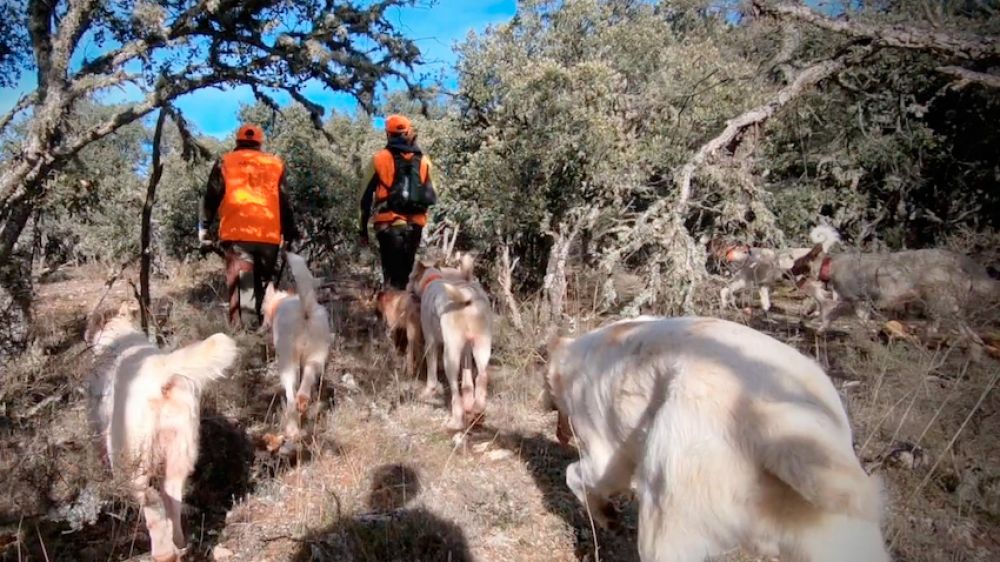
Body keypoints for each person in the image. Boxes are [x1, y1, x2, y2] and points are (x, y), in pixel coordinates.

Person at [199, 124, 299, 329]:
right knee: (261, 291)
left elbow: (211, 197)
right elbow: (284, 201)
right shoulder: (275, 164)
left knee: (243, 297)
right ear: (260, 143)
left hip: (238, 237)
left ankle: (247, 346)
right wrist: (289, 234)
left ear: (237, 141)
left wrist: (204, 227)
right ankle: (262, 341)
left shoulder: (226, 162)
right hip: (269, 239)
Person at [359, 114, 438, 290]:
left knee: (391, 278)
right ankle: (406, 313)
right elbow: (433, 194)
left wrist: (362, 229)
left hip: (388, 226)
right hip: (415, 227)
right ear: (409, 133)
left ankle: (392, 314)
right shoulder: (424, 161)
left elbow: (364, 197)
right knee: (406, 277)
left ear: (388, 134)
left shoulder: (378, 159)